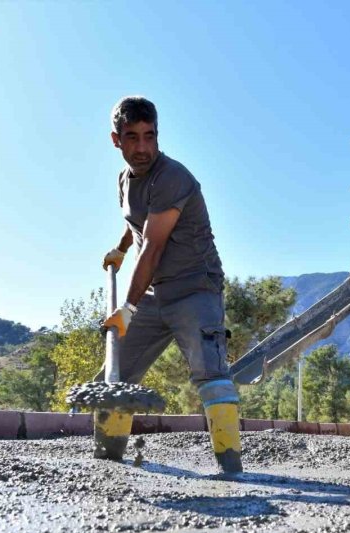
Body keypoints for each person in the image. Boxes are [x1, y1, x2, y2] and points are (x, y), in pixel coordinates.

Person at [99, 96, 242, 473]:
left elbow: (155, 245)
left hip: (195, 286)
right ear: (116, 140)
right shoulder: (125, 178)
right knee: (114, 376)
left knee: (211, 376)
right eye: (133, 138)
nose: (143, 148)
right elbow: (138, 222)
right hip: (154, 290)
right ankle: (108, 462)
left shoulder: (172, 177)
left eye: (150, 136)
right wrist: (120, 247)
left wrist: (127, 309)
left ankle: (233, 470)